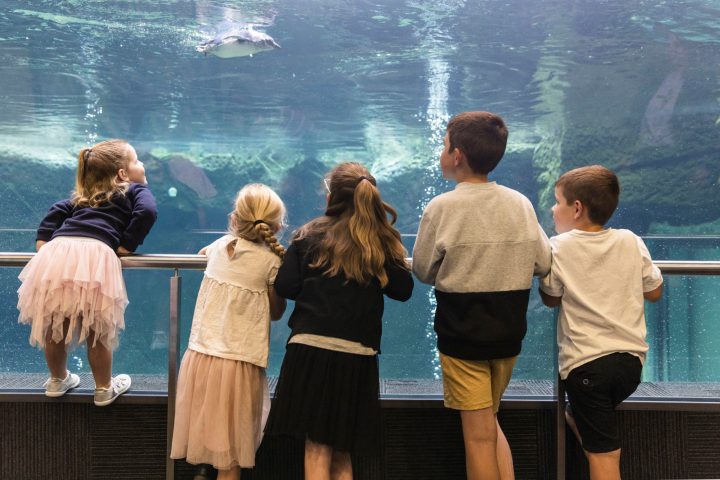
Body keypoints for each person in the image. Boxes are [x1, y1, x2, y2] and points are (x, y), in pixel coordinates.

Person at [412, 111, 551, 480]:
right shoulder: (520, 203)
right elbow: (543, 260)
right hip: (508, 333)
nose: (441, 153)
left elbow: (423, 270)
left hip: (463, 336)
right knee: (488, 420)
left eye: (443, 146)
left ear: (457, 155)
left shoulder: (441, 207)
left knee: (476, 437)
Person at [266, 162, 414, 480]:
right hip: (358, 355)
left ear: (331, 194)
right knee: (342, 449)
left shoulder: (309, 233)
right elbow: (404, 290)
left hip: (309, 350)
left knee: (317, 448)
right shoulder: (380, 240)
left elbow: (285, 286)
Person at [538, 165, 663, 480]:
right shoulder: (630, 241)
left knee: (605, 456)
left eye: (557, 202)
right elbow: (655, 291)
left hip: (586, 367)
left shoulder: (558, 247)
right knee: (590, 429)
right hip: (630, 366)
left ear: (576, 208)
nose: (553, 209)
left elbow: (550, 298)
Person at [17, 139, 157, 406]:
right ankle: (103, 388)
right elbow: (147, 212)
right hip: (96, 254)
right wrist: (126, 244)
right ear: (122, 174)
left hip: (59, 252)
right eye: (137, 161)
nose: (142, 165)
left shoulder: (83, 196)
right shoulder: (135, 190)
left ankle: (58, 380)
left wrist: (44, 244)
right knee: (98, 329)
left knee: (56, 323)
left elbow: (55, 212)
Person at [170, 184, 287, 480]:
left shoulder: (220, 247)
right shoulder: (272, 262)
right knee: (232, 457)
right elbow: (276, 313)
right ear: (276, 226)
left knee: (214, 441)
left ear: (234, 219)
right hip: (238, 364)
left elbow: (204, 252)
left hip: (201, 359)